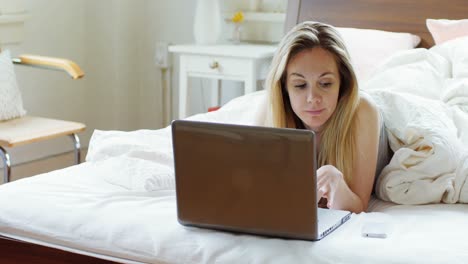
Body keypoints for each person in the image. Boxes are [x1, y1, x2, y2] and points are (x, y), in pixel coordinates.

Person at [265, 21, 391, 213]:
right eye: (300, 85)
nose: (312, 99)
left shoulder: (363, 111)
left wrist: (337, 183)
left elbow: (359, 206)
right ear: (284, 87)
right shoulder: (271, 109)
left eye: (325, 83)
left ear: (343, 82)